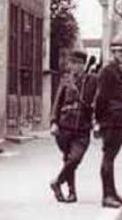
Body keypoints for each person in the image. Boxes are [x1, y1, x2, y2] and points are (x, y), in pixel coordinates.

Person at [49, 51, 97, 203]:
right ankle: (72, 193)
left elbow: (98, 99)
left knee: (75, 158)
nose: (73, 66)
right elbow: (57, 102)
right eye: (72, 63)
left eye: (77, 63)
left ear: (83, 64)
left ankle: (57, 182)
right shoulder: (66, 81)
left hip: (82, 127)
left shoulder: (92, 80)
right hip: (64, 126)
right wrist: (54, 122)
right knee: (68, 160)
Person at [94, 42, 122, 208]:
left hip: (118, 119)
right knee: (108, 158)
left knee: (111, 158)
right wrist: (99, 121)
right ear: (112, 52)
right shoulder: (107, 71)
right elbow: (101, 98)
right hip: (110, 120)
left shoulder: (117, 70)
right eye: (119, 51)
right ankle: (107, 196)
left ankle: (113, 192)